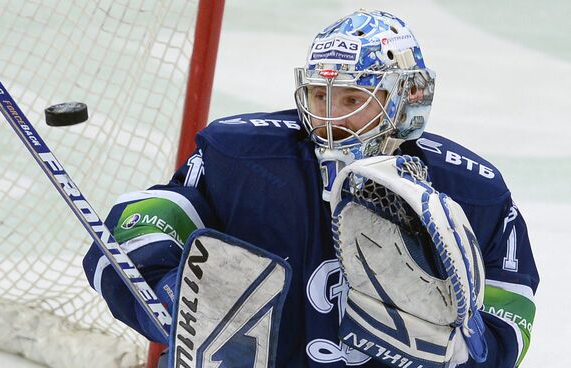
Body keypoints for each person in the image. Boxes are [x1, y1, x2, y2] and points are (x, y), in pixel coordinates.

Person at [83, 9, 538, 367]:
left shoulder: (473, 191)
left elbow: (510, 315)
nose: (330, 119)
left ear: (407, 99)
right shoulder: (241, 158)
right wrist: (165, 290)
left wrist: (461, 352)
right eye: (321, 97)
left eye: (353, 99)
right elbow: (148, 220)